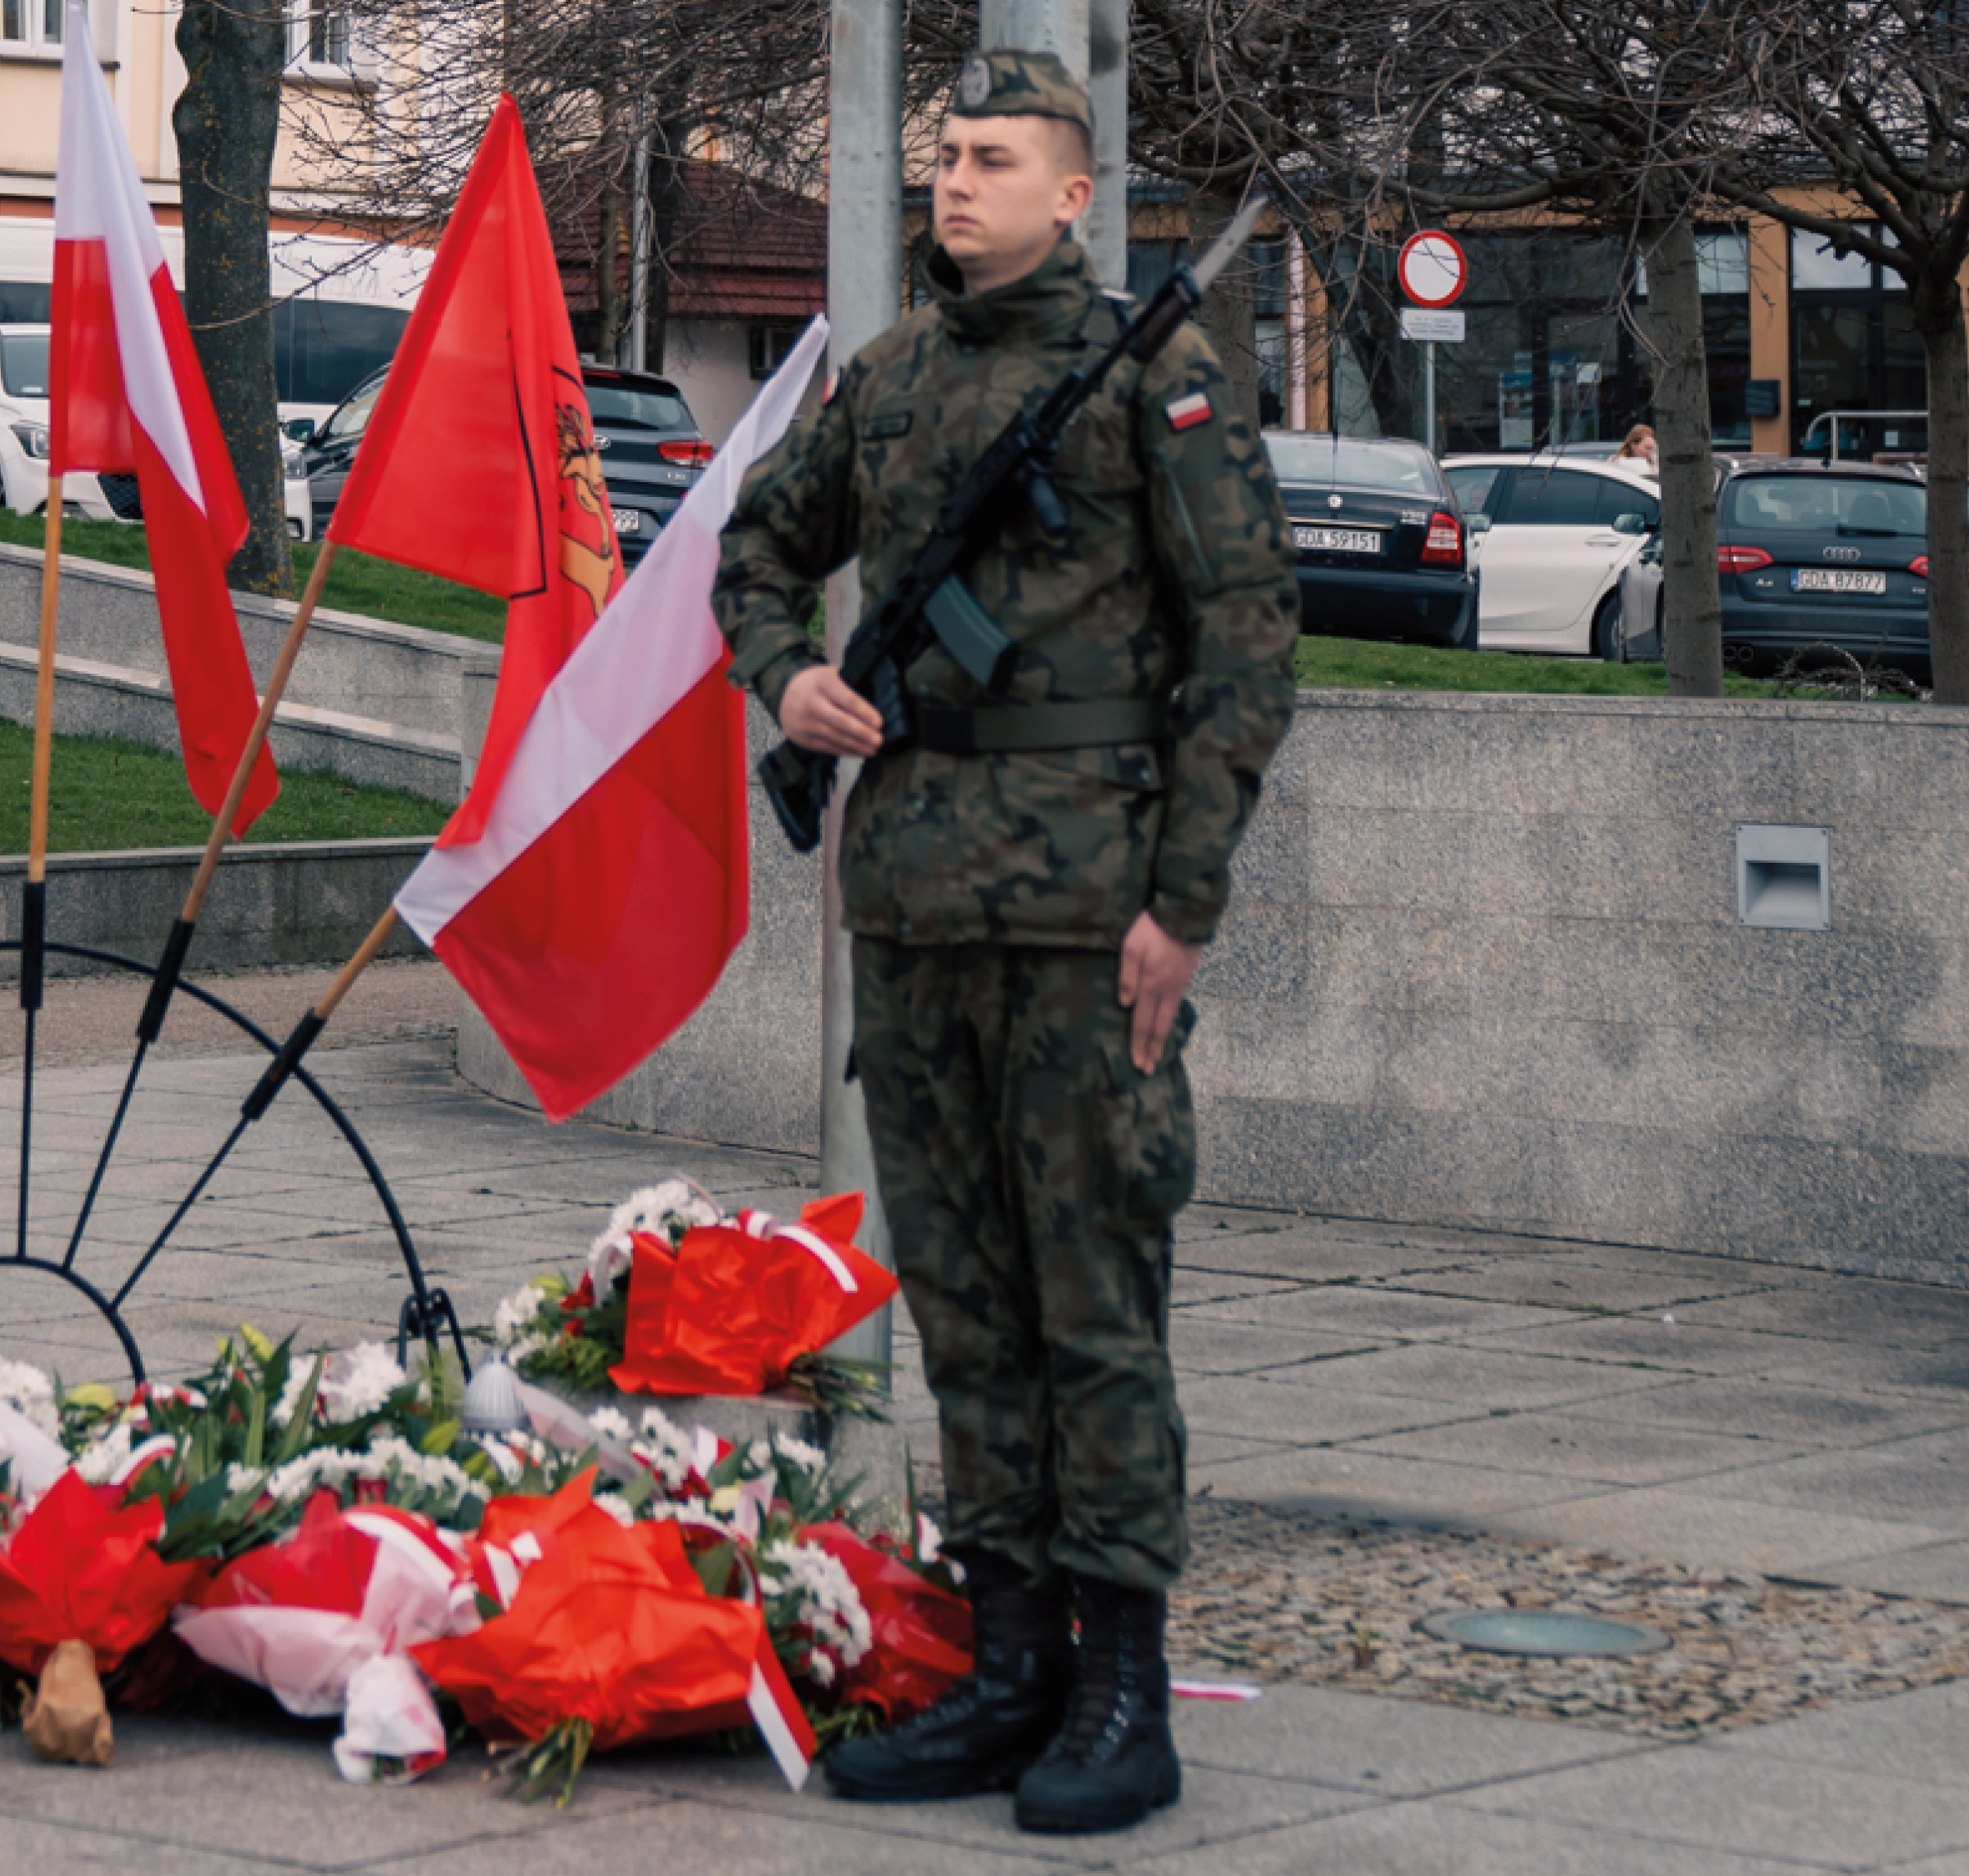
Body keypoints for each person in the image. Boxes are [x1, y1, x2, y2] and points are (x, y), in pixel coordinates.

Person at [711, 48, 1298, 1838]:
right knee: (965, 1310)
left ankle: (1120, 1686)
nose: (952, 183)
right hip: (913, 909)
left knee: (1088, 1309)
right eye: (942, 156)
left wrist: (1177, 908)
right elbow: (753, 538)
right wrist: (784, 677)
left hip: (1077, 921)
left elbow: (1246, 653)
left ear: (1072, 194)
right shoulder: (885, 378)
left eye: (992, 161)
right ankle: (1006, 1662)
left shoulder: (1154, 383)